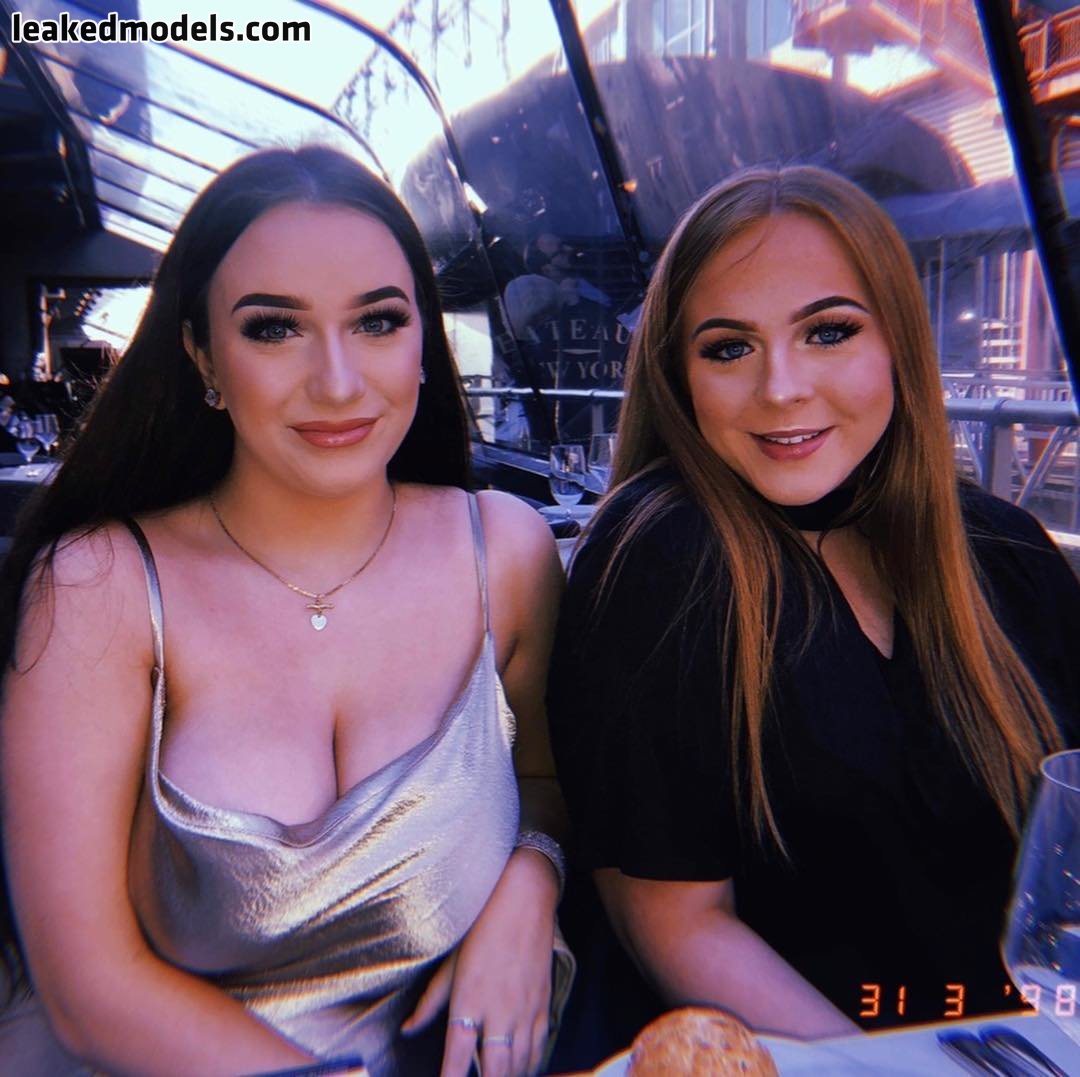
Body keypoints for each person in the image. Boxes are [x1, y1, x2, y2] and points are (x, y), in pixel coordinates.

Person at [0, 146, 572, 1077]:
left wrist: (530, 881)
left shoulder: (504, 555)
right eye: (274, 329)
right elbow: (86, 986)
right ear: (202, 355)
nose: (338, 381)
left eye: (378, 321)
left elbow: (545, 778)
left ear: (422, 340)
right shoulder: (100, 586)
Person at [547, 165, 1080, 1043]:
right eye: (729, 348)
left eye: (828, 332)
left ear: (898, 342)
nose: (782, 388)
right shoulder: (661, 559)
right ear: (678, 376)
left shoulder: (1009, 551)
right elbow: (674, 922)